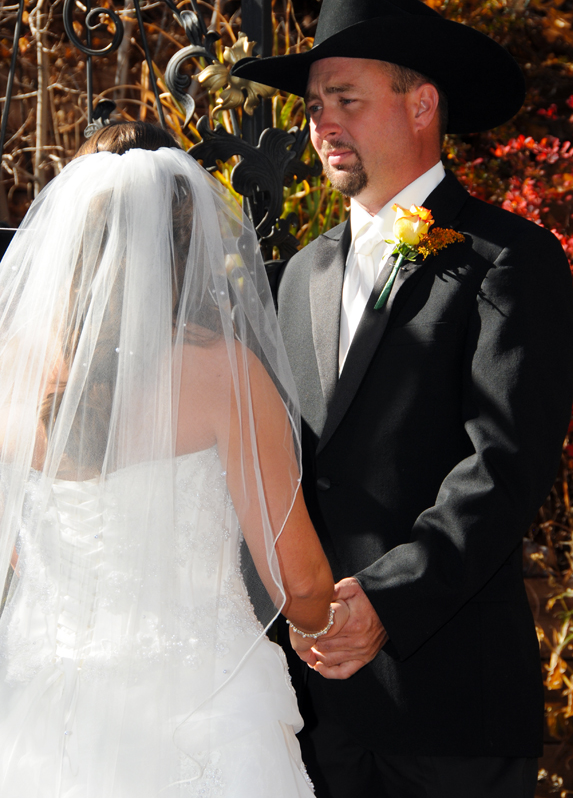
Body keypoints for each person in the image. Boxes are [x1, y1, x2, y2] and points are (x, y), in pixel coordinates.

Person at [233, 0, 573, 797]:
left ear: (422, 104)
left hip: (451, 702)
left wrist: (384, 599)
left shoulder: (510, 260)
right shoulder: (296, 276)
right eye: (315, 103)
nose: (321, 123)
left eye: (344, 98)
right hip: (310, 710)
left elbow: (503, 468)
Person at [0, 121, 349, 796]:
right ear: (186, 236)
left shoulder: (9, 373)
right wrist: (324, 627)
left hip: (46, 713)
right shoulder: (224, 375)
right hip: (204, 707)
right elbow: (298, 581)